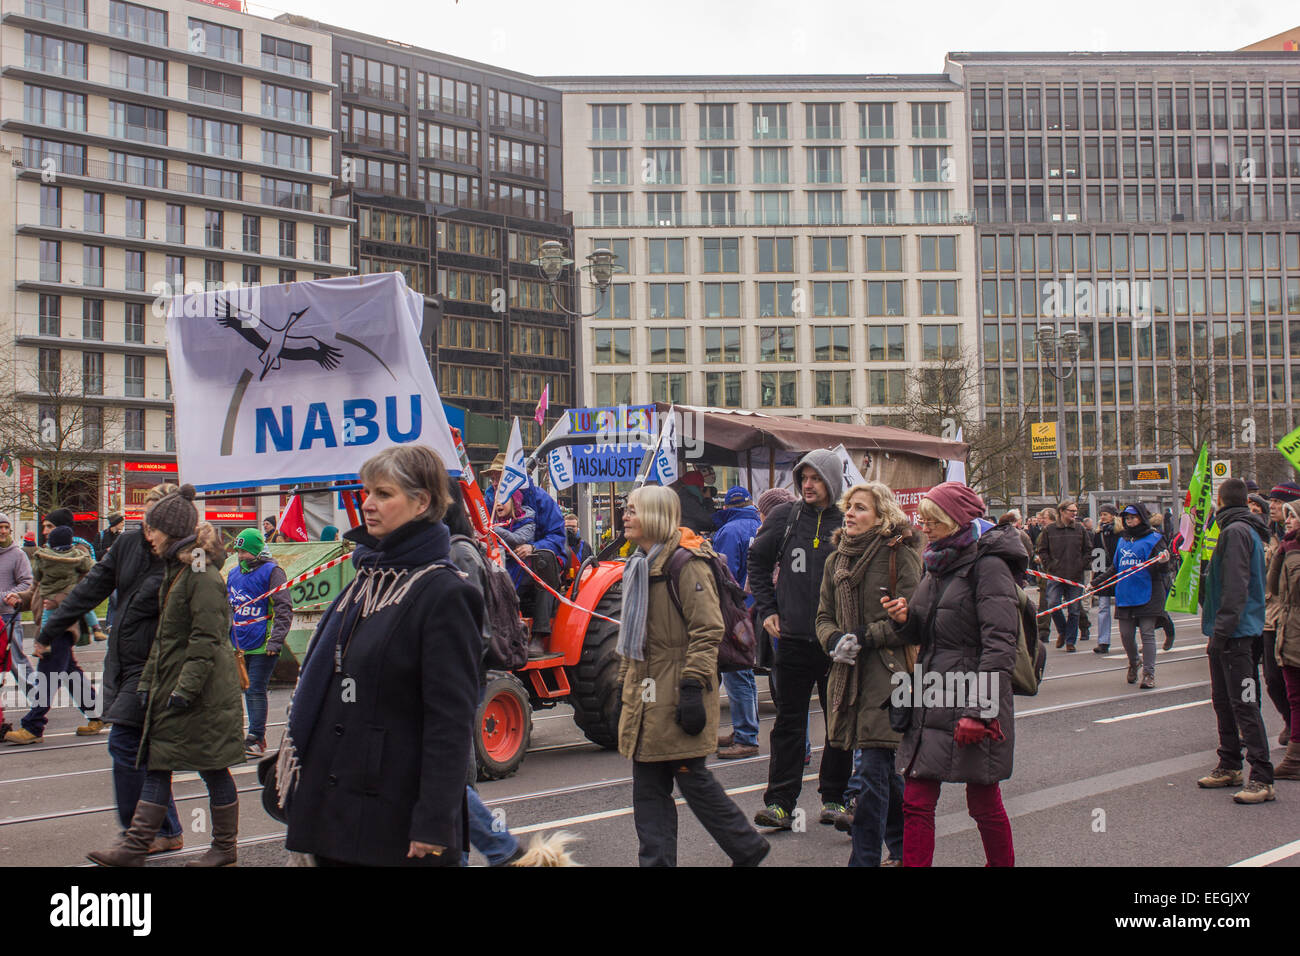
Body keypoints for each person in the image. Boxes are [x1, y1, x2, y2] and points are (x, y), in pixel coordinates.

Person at [283, 445, 482, 866]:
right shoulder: (366, 577)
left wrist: (433, 822)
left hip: (392, 817)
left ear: (421, 502)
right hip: (337, 806)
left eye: (383, 494)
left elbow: (450, 722)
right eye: (367, 491)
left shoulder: (445, 593)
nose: (368, 504)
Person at [87, 486, 245, 866]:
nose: (148, 536)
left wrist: (184, 689)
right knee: (159, 762)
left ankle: (224, 848)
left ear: (171, 531)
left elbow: (206, 638)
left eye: (153, 529)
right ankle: (136, 845)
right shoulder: (178, 570)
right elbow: (167, 638)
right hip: (175, 685)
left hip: (200, 691)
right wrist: (148, 685)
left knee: (212, 767)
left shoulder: (199, 574)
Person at [616, 484, 769, 867]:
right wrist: (625, 685)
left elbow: (708, 630)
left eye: (633, 509)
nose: (625, 516)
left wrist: (691, 688)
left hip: (677, 690)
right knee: (650, 792)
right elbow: (632, 640)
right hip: (648, 694)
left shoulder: (686, 563)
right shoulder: (639, 564)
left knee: (693, 780)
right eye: (626, 509)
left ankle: (747, 847)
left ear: (654, 515)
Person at [39, 483, 186, 853]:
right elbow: (92, 588)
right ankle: (166, 830)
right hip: (123, 661)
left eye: (157, 519)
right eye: (146, 518)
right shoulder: (127, 545)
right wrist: (51, 628)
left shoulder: (187, 557)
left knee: (125, 742)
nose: (148, 527)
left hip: (158, 665)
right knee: (145, 750)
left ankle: (136, 836)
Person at [883, 481, 1020, 867]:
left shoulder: (989, 566)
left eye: (931, 520)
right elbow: (925, 631)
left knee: (983, 802)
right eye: (922, 519)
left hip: (971, 696)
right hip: (932, 694)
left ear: (955, 520)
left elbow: (1000, 644)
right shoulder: (937, 563)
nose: (923, 526)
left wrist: (979, 711)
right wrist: (904, 619)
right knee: (916, 802)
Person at [816, 482, 921, 867]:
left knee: (873, 771)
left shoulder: (899, 554)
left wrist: (865, 635)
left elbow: (913, 618)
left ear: (881, 516)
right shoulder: (835, 561)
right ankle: (904, 847)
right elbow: (823, 616)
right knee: (883, 773)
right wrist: (833, 641)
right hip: (848, 675)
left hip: (890, 675)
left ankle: (863, 860)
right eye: (848, 507)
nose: (850, 514)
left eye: (860, 508)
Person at [748, 449, 851, 830]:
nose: (808, 485)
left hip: (836, 642)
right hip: (791, 640)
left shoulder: (849, 520)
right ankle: (779, 804)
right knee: (788, 724)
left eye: (816, 478)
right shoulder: (785, 517)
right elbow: (756, 562)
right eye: (803, 478)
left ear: (832, 481)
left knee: (838, 721)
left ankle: (836, 798)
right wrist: (767, 609)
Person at [1195, 477, 1275, 805]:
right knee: (1224, 701)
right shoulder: (1242, 529)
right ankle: (1229, 763)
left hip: (1236, 635)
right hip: (1231, 630)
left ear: (1221, 500)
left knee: (1244, 703)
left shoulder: (1235, 531)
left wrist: (1223, 630)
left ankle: (1261, 776)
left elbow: (1236, 585)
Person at [5, 526, 100, 744]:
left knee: (48, 678)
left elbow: (86, 594)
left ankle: (33, 726)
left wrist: (58, 601)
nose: (45, 531)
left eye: (49, 527)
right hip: (49, 626)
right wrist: (19, 598)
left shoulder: (75, 564)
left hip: (61, 628)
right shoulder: (48, 562)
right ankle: (97, 714)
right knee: (70, 674)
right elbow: (36, 592)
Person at [225, 528, 292, 757]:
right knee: (238, 690)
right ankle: (236, 735)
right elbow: (229, 608)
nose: (241, 555)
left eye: (244, 551)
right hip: (238, 643)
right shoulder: (234, 574)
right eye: (238, 550)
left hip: (263, 643)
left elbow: (283, 607)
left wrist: (276, 640)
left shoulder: (273, 572)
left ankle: (256, 738)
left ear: (255, 550)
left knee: (255, 689)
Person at [1093, 504, 1171, 688]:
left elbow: (1165, 568)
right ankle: (1134, 661)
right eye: (1127, 518)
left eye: (1133, 517)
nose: (1129, 521)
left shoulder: (1155, 538)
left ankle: (1149, 674)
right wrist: (1096, 583)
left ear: (1142, 518)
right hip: (1126, 592)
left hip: (1149, 592)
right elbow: (1115, 568)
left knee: (1147, 633)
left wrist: (1163, 562)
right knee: (1126, 635)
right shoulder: (1123, 540)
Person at [712, 486, 762, 760]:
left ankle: (746, 735)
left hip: (735, 608)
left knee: (736, 671)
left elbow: (723, 572)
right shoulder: (758, 523)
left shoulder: (730, 531)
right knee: (744, 669)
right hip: (753, 607)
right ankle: (745, 728)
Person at [1263, 482, 1300, 746]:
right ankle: (1291, 722)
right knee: (1273, 679)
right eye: (1273, 502)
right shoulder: (1267, 533)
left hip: (1289, 617)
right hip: (1269, 616)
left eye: (1280, 503)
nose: (1273, 507)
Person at [1036, 500, 1090, 652]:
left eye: (1075, 511)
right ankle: (1063, 631)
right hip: (1056, 575)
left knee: (1074, 609)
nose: (1074, 513)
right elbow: (1042, 550)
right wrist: (1050, 566)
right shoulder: (1050, 530)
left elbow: (1088, 549)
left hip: (1075, 576)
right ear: (1062, 511)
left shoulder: (1080, 529)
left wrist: (1081, 565)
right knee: (1053, 604)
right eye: (1071, 511)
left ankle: (1070, 641)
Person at [0, 514, 35, 711]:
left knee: (16, 661)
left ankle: (37, 700)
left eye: (6, 527)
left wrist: (6, 596)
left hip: (8, 616)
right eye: (0, 527)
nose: (3, 531)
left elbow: (27, 583)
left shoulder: (18, 555)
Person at [1092, 504, 1120, 654]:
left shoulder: (1121, 533)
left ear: (1113, 516)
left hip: (1119, 573)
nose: (1102, 517)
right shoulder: (1099, 534)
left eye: (1105, 515)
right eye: (1101, 514)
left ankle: (1129, 639)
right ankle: (1103, 641)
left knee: (1123, 609)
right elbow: (1097, 554)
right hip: (1104, 574)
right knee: (1103, 608)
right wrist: (1097, 575)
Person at [98, 513, 124, 632]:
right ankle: (113, 623)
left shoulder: (121, 537)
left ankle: (110, 624)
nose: (123, 524)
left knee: (113, 597)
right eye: (121, 522)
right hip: (106, 569)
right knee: (114, 597)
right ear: (115, 523)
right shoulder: (101, 536)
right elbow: (95, 553)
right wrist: (106, 550)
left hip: (118, 569)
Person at [672, 470, 716, 535]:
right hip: (687, 537)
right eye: (700, 487)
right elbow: (709, 520)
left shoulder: (681, 496)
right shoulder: (687, 500)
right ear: (695, 487)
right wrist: (708, 499)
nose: (702, 490)